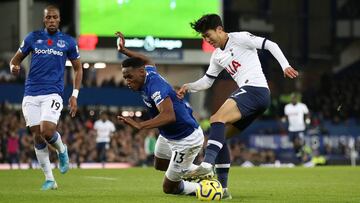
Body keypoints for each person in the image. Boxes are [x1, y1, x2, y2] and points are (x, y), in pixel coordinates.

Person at [177, 14, 299, 199]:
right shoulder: (217, 56)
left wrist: (284, 65)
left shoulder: (240, 38)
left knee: (216, 119)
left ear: (219, 29)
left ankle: (206, 165)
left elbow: (270, 45)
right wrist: (189, 87)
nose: (207, 39)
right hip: (255, 98)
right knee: (220, 137)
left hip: (255, 90)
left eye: (208, 35)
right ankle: (224, 190)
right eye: (203, 37)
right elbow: (207, 82)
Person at [115, 31, 208, 196]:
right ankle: (200, 171)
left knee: (169, 188)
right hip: (168, 134)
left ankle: (208, 188)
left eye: (130, 77)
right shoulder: (147, 72)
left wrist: (140, 125)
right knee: (159, 164)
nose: (127, 81)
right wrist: (124, 51)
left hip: (186, 138)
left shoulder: (156, 87)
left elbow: (168, 116)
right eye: (125, 78)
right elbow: (148, 60)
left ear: (142, 72)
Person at [9, 5, 82, 190]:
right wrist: (14, 69)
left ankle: (62, 150)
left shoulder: (68, 42)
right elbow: (15, 60)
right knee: (37, 136)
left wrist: (74, 95)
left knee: (47, 131)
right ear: (44, 19)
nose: (51, 20)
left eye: (54, 17)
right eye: (48, 17)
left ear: (59, 20)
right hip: (31, 93)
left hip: (53, 92)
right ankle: (50, 178)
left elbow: (78, 68)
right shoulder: (33, 38)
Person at [284, 93, 311, 163]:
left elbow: (307, 113)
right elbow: (286, 116)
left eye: (294, 98)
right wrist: (284, 119)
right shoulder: (287, 107)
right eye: (292, 98)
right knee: (294, 144)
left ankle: (305, 157)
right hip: (291, 129)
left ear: (296, 99)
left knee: (299, 142)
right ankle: (299, 156)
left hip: (300, 128)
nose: (293, 99)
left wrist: (307, 120)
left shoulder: (302, 106)